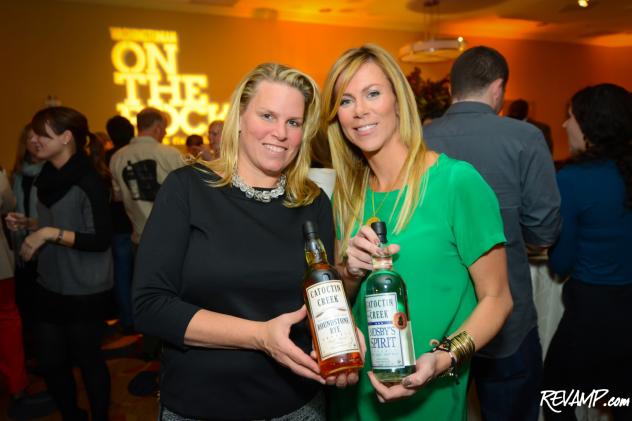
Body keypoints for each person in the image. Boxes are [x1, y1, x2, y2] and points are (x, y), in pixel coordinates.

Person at [133, 62, 359, 421]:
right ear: (238, 117)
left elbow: (322, 296)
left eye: (293, 122)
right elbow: (149, 306)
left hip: (297, 405)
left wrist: (346, 336)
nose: (280, 133)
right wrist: (259, 336)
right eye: (267, 115)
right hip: (200, 406)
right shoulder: (186, 189)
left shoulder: (312, 202)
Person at [322, 44, 513, 421]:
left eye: (372, 93)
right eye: (346, 101)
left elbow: (498, 298)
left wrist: (443, 358)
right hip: (352, 399)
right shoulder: (347, 197)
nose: (360, 110)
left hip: (428, 398)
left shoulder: (456, 182)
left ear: (397, 100)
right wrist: (348, 272)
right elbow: (342, 302)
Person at [424, 46, 561, 421]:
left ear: (453, 86)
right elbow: (543, 231)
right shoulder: (525, 137)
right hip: (505, 317)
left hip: (438, 324)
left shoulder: (417, 140)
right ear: (498, 88)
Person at [5, 106, 113, 421]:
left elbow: (99, 239)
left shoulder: (89, 180)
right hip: (51, 281)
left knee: (88, 359)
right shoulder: (48, 176)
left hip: (85, 286)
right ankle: (72, 415)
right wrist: (30, 224)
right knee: (51, 362)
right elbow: (58, 222)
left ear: (66, 138)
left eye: (42, 134)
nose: (33, 139)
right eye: (33, 133)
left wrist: (48, 233)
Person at [543, 84, 632, 421]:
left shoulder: (574, 179)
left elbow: (561, 263)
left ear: (591, 124)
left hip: (591, 313)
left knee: (556, 398)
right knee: (622, 402)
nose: (565, 125)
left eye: (571, 117)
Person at [109, 107, 183, 247]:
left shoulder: (117, 157)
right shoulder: (170, 154)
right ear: (158, 128)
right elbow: (190, 194)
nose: (165, 133)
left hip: (139, 238)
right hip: (171, 238)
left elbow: (117, 196)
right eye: (165, 129)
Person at [9, 123, 44, 322]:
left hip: (46, 241)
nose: (33, 141)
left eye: (37, 137)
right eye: (29, 138)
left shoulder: (52, 170)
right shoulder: (17, 173)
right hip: (21, 241)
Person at [105, 115, 135, 333]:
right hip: (133, 223)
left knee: (123, 277)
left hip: (118, 223)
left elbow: (114, 195)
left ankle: (128, 320)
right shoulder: (120, 155)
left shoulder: (111, 157)